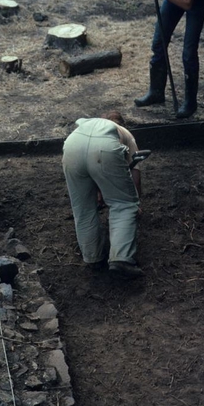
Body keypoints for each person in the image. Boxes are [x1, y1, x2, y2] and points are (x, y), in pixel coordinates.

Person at [62, 110, 144, 280]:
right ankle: (122, 258)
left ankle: (92, 257)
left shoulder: (89, 124)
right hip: (106, 149)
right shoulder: (125, 134)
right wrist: (136, 202)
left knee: (83, 208)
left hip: (72, 145)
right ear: (121, 124)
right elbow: (134, 172)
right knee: (123, 204)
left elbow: (93, 169)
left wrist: (100, 193)